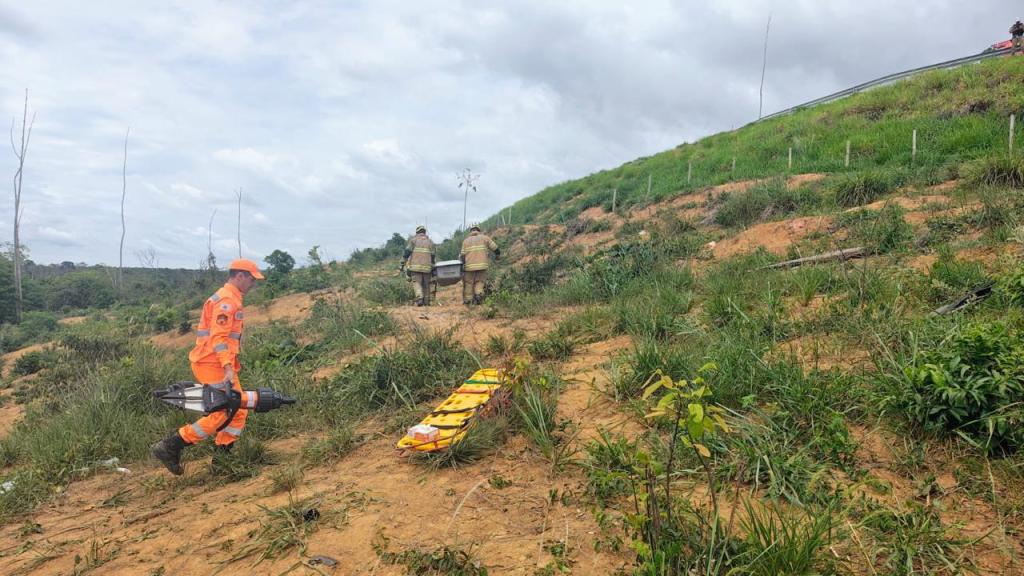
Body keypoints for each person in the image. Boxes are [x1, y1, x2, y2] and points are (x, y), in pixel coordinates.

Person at [151, 259, 264, 475]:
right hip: (213, 363)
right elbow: (219, 338)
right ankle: (172, 444)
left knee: (238, 410)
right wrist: (227, 366)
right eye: (251, 279)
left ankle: (222, 460)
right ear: (239, 276)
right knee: (223, 411)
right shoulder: (227, 301)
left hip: (217, 363)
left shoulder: (229, 297)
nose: (253, 284)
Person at [459, 223, 500, 305]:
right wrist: (497, 255)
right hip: (482, 266)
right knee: (480, 282)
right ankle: (479, 298)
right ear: (479, 231)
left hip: (469, 267)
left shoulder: (466, 241)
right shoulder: (485, 238)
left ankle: (468, 301)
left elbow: (462, 256)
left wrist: (462, 266)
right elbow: (495, 248)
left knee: (468, 283)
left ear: (471, 231)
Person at [402, 225, 435, 306]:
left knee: (417, 283)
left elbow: (407, 253)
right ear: (424, 232)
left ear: (417, 232)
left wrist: (402, 262)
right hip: (427, 268)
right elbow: (433, 256)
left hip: (415, 268)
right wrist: (433, 266)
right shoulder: (430, 242)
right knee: (426, 285)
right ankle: (427, 302)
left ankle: (419, 298)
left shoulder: (413, 241)